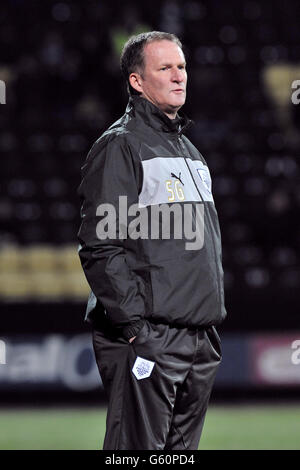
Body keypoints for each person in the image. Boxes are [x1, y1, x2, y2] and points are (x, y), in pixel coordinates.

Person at [77, 31, 227, 450]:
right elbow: (101, 246)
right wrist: (135, 329)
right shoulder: (121, 146)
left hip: (198, 337)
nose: (179, 76)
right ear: (137, 81)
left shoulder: (190, 152)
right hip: (150, 336)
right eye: (165, 68)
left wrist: (205, 329)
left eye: (181, 66)